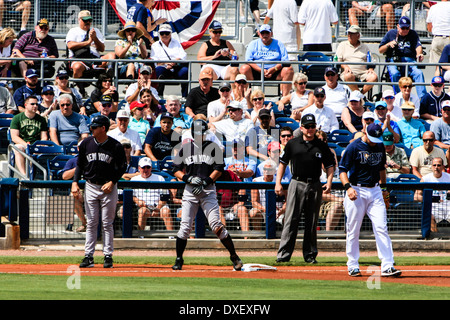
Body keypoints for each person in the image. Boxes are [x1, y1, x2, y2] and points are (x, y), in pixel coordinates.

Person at [171, 119, 243, 271]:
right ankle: (179, 259)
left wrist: (206, 182)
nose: (199, 135)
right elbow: (175, 169)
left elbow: (219, 168)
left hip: (208, 190)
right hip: (190, 191)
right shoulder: (185, 148)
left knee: (216, 225)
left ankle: (234, 256)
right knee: (184, 227)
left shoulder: (213, 147)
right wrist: (187, 178)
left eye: (201, 132)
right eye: (196, 132)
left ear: (205, 133)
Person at [339, 122, 402, 277]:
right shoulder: (354, 147)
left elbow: (381, 168)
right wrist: (348, 188)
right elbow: (342, 170)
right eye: (372, 137)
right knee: (353, 229)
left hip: (375, 190)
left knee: (381, 227)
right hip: (357, 189)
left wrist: (384, 189)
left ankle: (387, 265)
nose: (375, 141)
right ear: (365, 133)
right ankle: (352, 265)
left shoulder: (379, 145)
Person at [276, 114, 335, 263]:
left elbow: (330, 165)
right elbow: (282, 163)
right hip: (297, 182)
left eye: (312, 126)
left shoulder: (321, 145)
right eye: (307, 126)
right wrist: (278, 183)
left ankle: (309, 255)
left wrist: (329, 181)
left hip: (315, 184)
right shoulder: (292, 143)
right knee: (290, 220)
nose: (310, 129)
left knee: (312, 221)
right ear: (301, 128)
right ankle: (283, 255)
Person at [72, 115, 127, 269]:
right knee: (91, 223)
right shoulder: (86, 143)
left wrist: (112, 181)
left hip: (108, 187)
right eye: (91, 127)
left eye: (94, 127)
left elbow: (122, 167)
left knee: (107, 223)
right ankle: (88, 256)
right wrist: (75, 182)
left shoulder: (115, 146)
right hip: (90, 185)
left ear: (103, 128)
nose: (91, 129)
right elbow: (80, 165)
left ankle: (108, 256)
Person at [378, 16, 427, 99]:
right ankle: (398, 97)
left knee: (419, 73)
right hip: (394, 60)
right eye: (402, 28)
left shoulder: (413, 34)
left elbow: (418, 46)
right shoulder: (391, 33)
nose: (405, 30)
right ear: (398, 26)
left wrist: (419, 54)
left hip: (409, 60)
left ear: (409, 27)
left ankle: (423, 98)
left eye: (407, 28)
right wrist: (388, 44)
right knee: (394, 73)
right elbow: (380, 50)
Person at [239, 24, 294, 97]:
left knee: (289, 69)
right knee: (244, 68)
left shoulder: (279, 44)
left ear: (271, 33)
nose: (265, 35)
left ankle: (284, 99)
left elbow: (285, 61)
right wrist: (261, 70)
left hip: (276, 71)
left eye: (267, 33)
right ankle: (244, 98)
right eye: (263, 33)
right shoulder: (253, 44)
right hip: (256, 71)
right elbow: (248, 60)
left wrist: (273, 69)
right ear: (259, 34)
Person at [123, 157, 172, 231]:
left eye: (148, 167)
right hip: (143, 206)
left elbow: (164, 196)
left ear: (151, 167)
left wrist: (158, 208)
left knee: (166, 211)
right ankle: (140, 236)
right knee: (142, 211)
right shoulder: (134, 179)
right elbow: (131, 195)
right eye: (143, 167)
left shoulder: (160, 178)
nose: (146, 170)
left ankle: (171, 236)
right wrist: (137, 201)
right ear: (139, 168)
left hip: (159, 205)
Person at [65, 10, 105, 95]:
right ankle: (82, 91)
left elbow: (102, 49)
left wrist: (95, 38)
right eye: (85, 20)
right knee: (77, 66)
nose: (87, 22)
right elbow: (70, 45)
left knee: (111, 57)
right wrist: (88, 42)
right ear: (79, 20)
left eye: (89, 20)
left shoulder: (96, 31)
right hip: (79, 58)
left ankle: (104, 91)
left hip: (94, 59)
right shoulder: (73, 31)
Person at [9, 95, 48, 176]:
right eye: (32, 104)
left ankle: (34, 175)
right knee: (19, 147)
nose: (35, 106)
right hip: (22, 144)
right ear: (26, 105)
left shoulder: (41, 120)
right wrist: (26, 145)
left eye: (37, 104)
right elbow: (14, 137)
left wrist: (40, 144)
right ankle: (24, 176)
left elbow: (44, 136)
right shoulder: (17, 118)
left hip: (36, 144)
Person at [336, 25, 378, 95]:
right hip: (349, 72)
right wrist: (345, 66)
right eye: (349, 33)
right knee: (348, 76)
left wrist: (371, 68)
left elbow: (371, 60)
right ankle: (360, 98)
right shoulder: (342, 45)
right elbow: (338, 61)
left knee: (374, 77)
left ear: (358, 36)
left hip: (363, 73)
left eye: (352, 34)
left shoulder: (364, 47)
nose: (349, 35)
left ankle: (360, 95)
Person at [150, 23, 189, 98]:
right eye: (162, 33)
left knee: (185, 71)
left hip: (175, 67)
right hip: (163, 68)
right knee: (159, 70)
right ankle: (159, 97)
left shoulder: (176, 43)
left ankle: (185, 97)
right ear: (159, 34)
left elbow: (183, 55)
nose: (164, 35)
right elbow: (154, 60)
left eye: (167, 33)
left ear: (170, 34)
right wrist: (166, 62)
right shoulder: (155, 45)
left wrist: (174, 62)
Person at [415, 157, 450, 233]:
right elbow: (416, 196)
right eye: (434, 165)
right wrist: (430, 199)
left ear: (443, 166)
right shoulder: (425, 179)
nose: (436, 167)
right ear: (431, 167)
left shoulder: (448, 177)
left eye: (439, 165)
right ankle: (435, 237)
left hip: (448, 205)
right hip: (433, 206)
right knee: (429, 215)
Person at [251, 160, 287, 229]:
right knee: (254, 212)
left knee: (288, 215)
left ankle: (284, 237)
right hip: (262, 210)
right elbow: (254, 202)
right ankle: (257, 237)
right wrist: (266, 209)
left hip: (278, 211)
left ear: (274, 171)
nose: (267, 172)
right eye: (265, 169)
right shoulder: (256, 181)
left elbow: (287, 200)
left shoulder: (282, 182)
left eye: (269, 170)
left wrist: (282, 209)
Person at [61, 139, 87, 233]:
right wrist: (78, 168)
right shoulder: (72, 161)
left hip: (93, 188)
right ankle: (85, 224)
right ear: (78, 148)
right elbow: (64, 176)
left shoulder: (94, 160)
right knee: (72, 197)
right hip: (79, 189)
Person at [426, 0, 450, 73]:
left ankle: (437, 84)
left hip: (437, 38)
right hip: (449, 39)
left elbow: (429, 28)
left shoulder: (433, 7)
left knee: (438, 67)